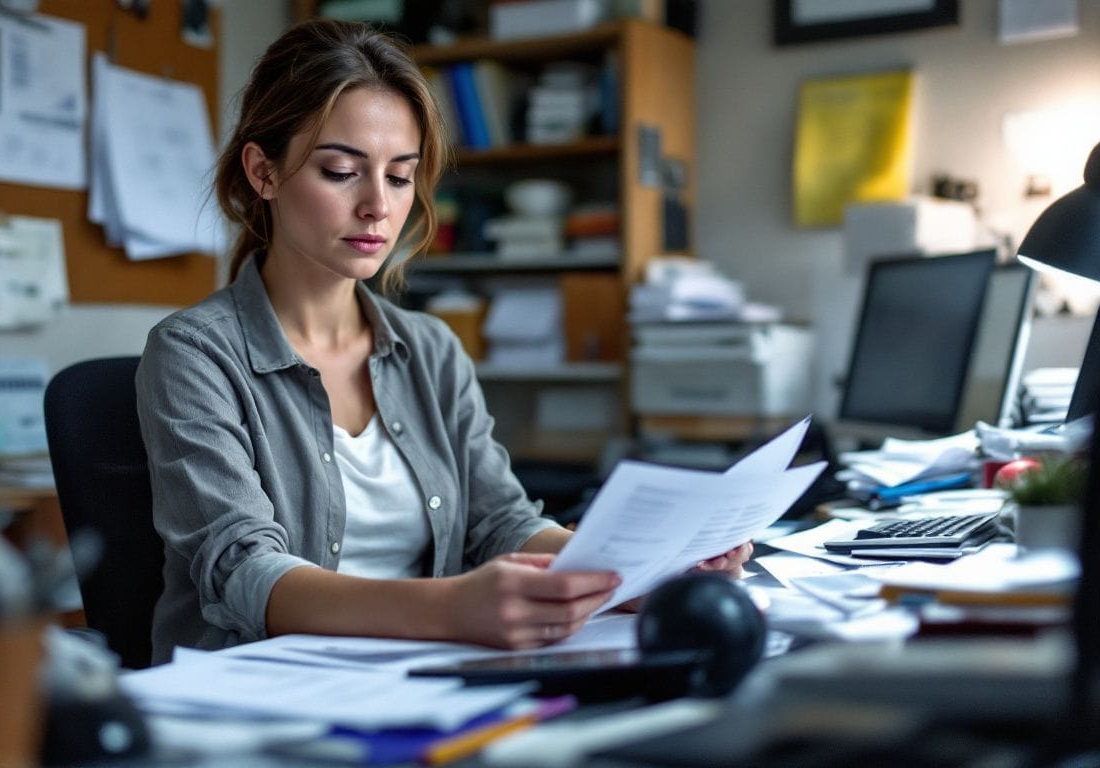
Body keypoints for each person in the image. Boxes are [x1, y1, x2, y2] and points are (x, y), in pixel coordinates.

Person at [136, 18, 751, 664]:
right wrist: (453, 609)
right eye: (342, 171)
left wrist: (647, 567)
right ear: (263, 172)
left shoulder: (431, 349)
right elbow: (240, 570)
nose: (378, 205)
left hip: (426, 671)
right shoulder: (194, 353)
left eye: (400, 177)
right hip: (260, 690)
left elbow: (501, 523)